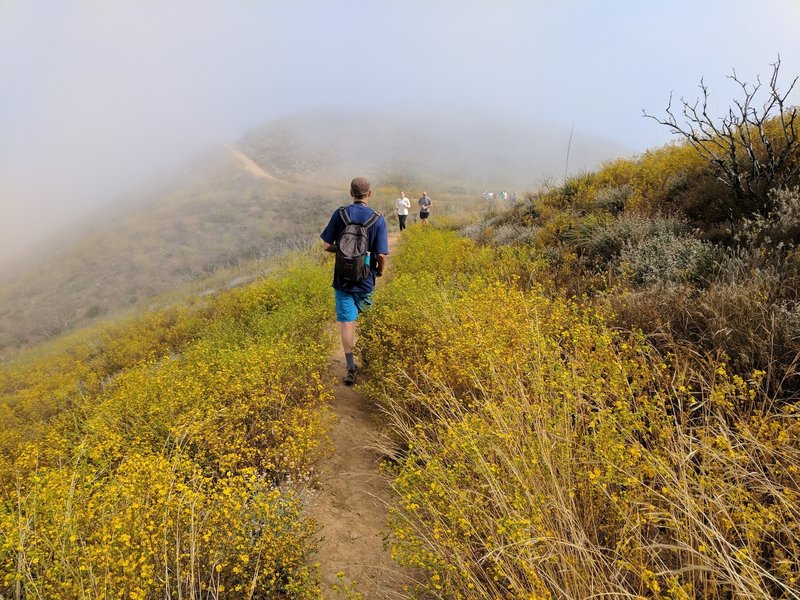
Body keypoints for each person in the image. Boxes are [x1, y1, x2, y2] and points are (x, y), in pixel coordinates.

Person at [320, 177, 389, 385]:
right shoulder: (378, 219)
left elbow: (325, 245)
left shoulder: (340, 214)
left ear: (351, 193)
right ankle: (370, 358)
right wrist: (379, 272)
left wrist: (340, 251)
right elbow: (382, 256)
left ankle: (350, 368)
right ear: (370, 193)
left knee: (347, 324)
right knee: (367, 319)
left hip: (342, 280)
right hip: (365, 280)